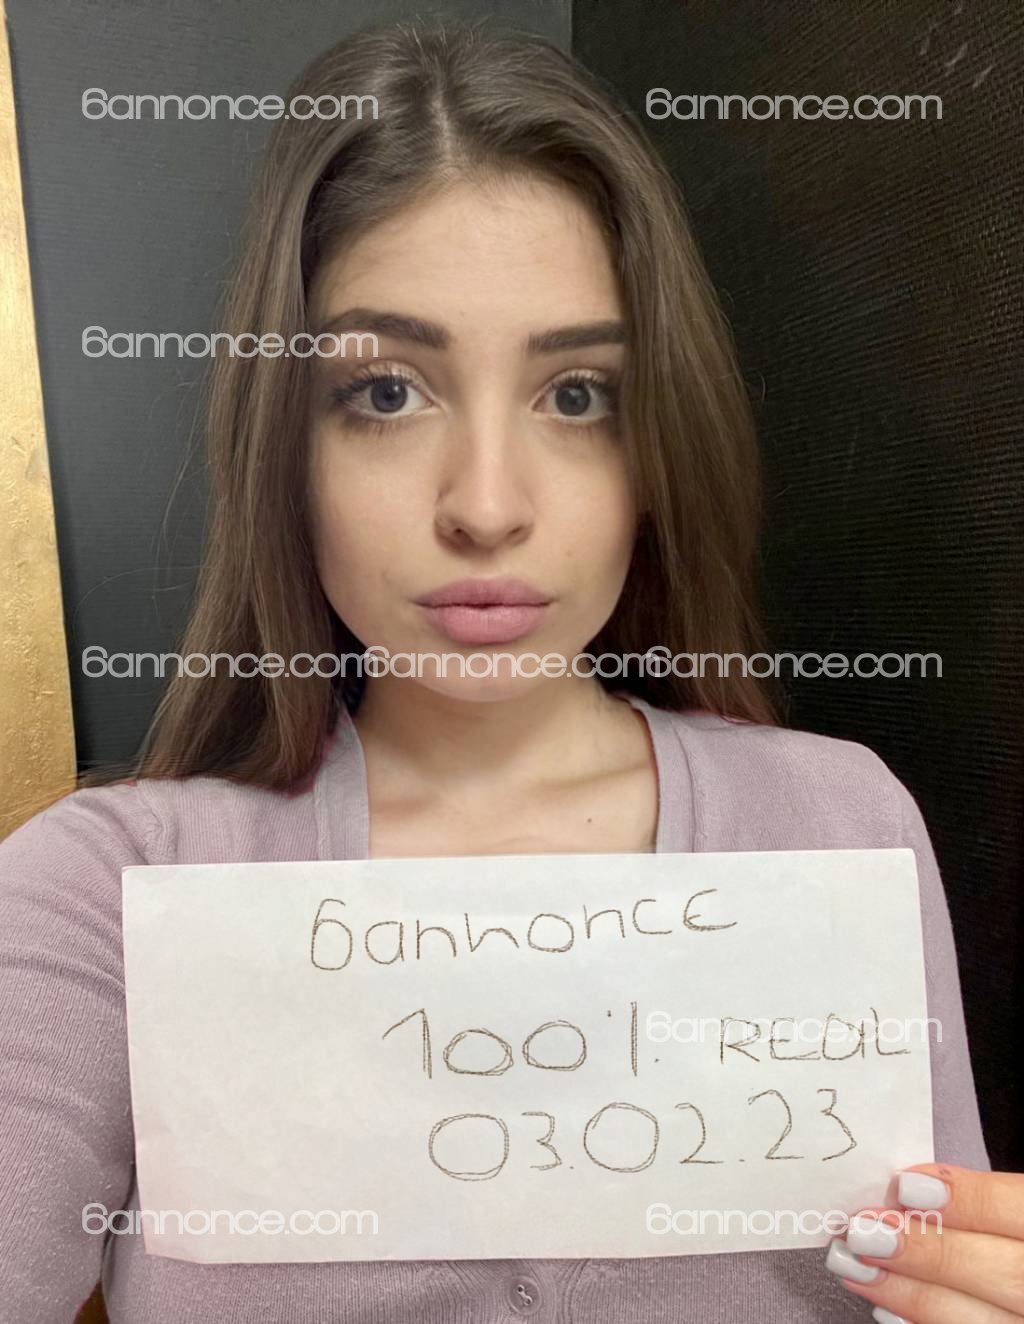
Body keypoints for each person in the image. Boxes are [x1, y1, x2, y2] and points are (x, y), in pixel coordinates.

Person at [1, 18, 1018, 1324]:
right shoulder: (106, 895)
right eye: (385, 393)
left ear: (658, 441)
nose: (487, 507)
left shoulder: (838, 826)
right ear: (285, 444)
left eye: (578, 394)